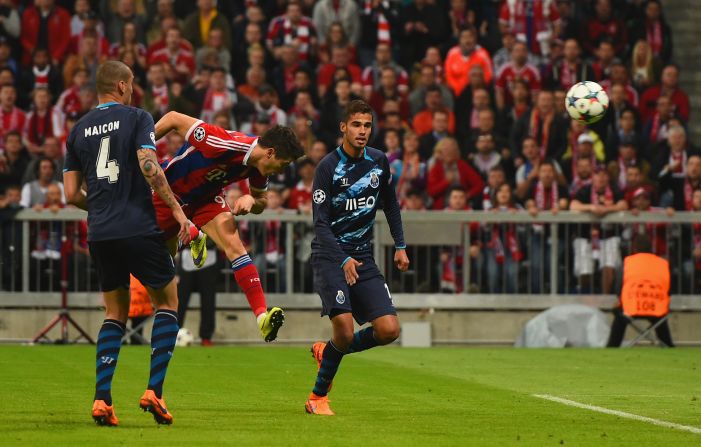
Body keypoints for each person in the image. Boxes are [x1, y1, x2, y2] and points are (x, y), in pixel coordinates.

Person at [62, 61, 193, 426]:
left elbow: (72, 194)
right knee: (167, 301)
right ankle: (155, 391)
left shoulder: (77, 130)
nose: (134, 89)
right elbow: (149, 166)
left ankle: (102, 399)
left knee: (114, 313)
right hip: (137, 227)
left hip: (100, 232)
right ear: (120, 86)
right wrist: (177, 212)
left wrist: (102, 202)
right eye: (132, 83)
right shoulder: (138, 117)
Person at [153, 110, 305, 342]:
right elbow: (174, 118)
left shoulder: (258, 166)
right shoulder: (222, 141)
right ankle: (195, 234)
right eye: (282, 165)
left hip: (206, 198)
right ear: (270, 153)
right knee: (163, 254)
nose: (281, 171)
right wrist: (144, 145)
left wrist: (252, 200)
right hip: (170, 195)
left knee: (234, 244)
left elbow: (262, 201)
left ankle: (262, 317)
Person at [305, 99, 409, 415]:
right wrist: (341, 259)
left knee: (389, 330)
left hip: (362, 257)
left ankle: (330, 350)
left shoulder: (378, 162)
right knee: (345, 331)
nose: (362, 131)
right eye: (356, 125)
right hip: (329, 256)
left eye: (366, 125)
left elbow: (390, 204)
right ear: (343, 127)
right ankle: (317, 398)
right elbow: (320, 223)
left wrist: (400, 245)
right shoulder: (327, 168)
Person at [606, 235, 674, 347]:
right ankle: (667, 345)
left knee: (619, 316)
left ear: (634, 248)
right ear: (651, 248)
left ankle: (612, 346)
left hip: (631, 308)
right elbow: (669, 289)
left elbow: (619, 287)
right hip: (657, 308)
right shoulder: (663, 264)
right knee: (660, 318)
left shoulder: (627, 262)